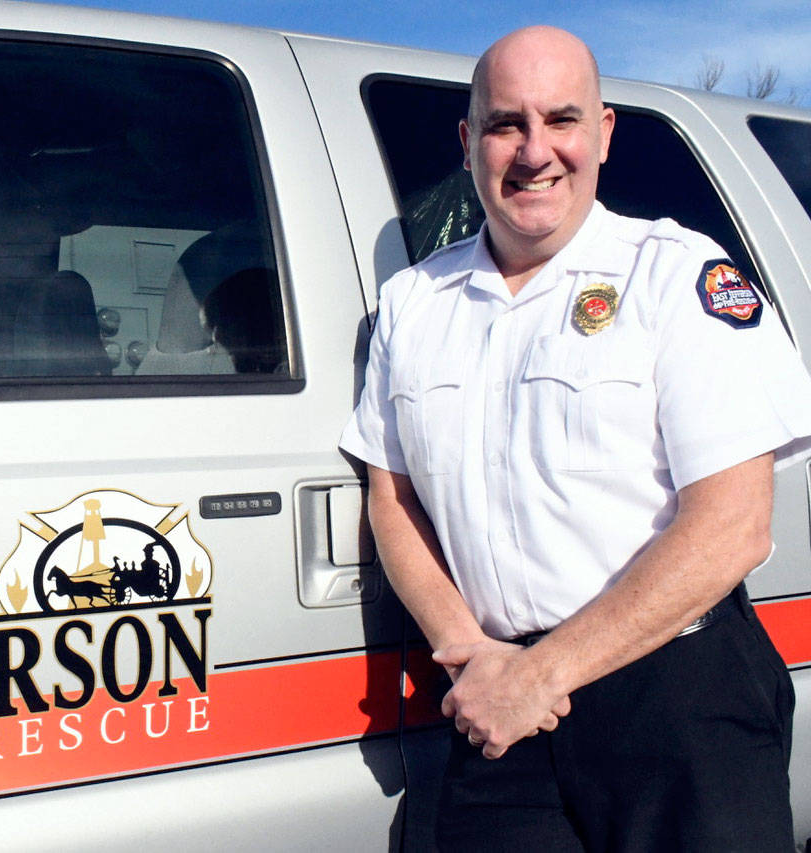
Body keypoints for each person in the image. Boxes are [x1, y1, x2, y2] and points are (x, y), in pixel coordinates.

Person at [339, 25, 811, 850]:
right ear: (468, 140)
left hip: (676, 697)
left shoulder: (675, 275)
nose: (534, 152)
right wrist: (471, 653)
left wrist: (544, 673)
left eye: (561, 119)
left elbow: (734, 523)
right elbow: (393, 496)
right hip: (498, 703)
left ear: (603, 132)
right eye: (504, 124)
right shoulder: (414, 303)